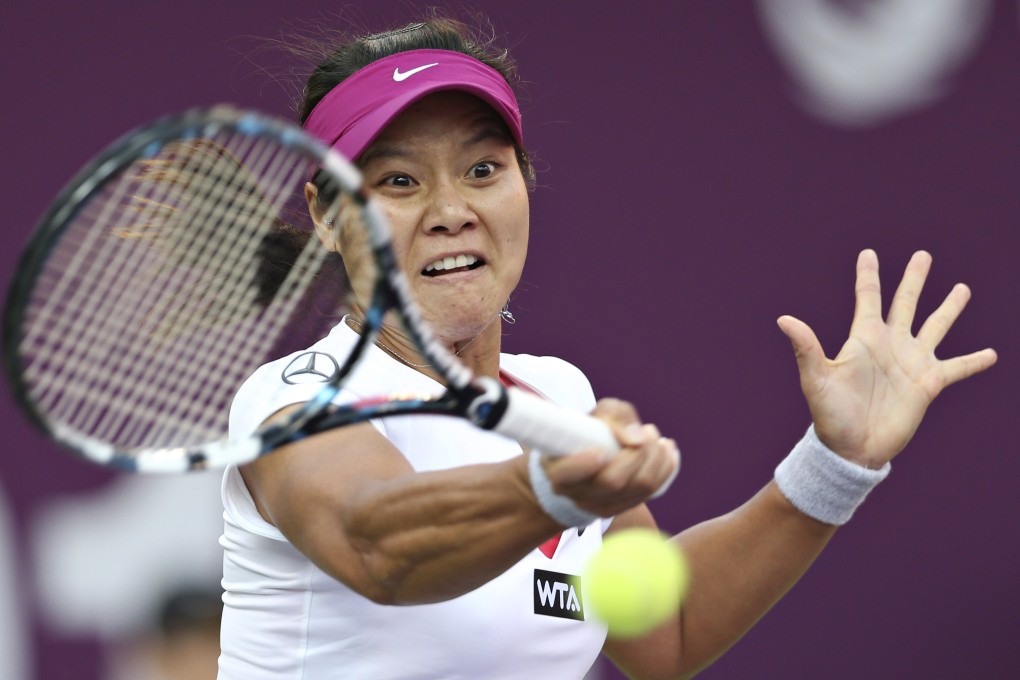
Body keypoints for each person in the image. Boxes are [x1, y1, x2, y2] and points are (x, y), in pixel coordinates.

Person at [217, 17, 997, 680]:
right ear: (325, 213)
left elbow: (669, 629)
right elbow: (378, 545)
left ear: (525, 181)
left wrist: (836, 464)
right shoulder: (293, 404)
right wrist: (551, 492)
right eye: (397, 182)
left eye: (483, 170)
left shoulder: (559, 397)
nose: (452, 210)